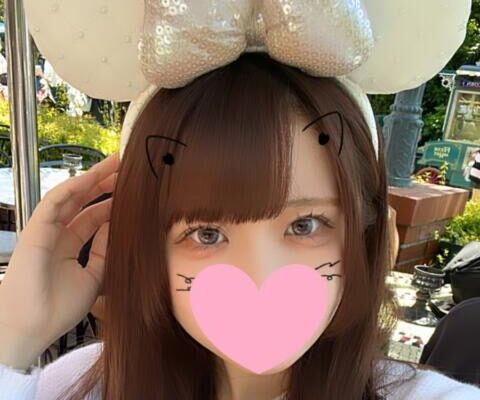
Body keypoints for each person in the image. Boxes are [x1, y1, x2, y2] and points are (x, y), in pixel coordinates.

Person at [1, 2, 480, 400]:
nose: (260, 277)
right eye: (206, 234)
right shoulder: (85, 387)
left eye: (306, 225)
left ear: (367, 231)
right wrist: (13, 335)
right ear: (151, 248)